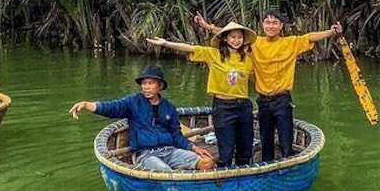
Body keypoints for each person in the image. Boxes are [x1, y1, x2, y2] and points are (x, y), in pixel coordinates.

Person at [196, 10, 342, 161]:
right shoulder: (255, 43)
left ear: (281, 26)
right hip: (263, 101)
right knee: (266, 142)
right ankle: (267, 169)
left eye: (275, 23)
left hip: (282, 100)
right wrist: (208, 27)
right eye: (267, 22)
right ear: (262, 25)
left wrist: (331, 32)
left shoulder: (290, 43)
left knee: (286, 141)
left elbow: (310, 37)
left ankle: (287, 167)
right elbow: (232, 37)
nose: (271, 26)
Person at [146, 22, 256, 168]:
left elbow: (259, 77)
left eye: (239, 37)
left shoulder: (248, 59)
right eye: (232, 37)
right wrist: (165, 43)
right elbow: (190, 48)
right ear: (225, 39)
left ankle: (244, 175)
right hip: (223, 107)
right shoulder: (213, 54)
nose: (236, 40)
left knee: (246, 146)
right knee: (226, 148)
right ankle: (223, 177)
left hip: (244, 106)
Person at [69, 64, 216, 171]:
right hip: (145, 155)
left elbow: (177, 136)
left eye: (150, 83)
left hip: (170, 151)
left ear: (160, 86)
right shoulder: (132, 102)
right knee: (165, 172)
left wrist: (194, 148)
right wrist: (87, 105)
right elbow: (111, 108)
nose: (146, 87)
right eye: (144, 83)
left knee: (207, 163)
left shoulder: (169, 107)